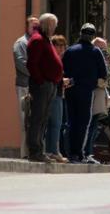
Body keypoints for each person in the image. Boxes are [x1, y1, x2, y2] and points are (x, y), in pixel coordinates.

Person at [62, 23, 107, 163]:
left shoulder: (70, 50)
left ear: (80, 34)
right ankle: (78, 153)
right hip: (86, 91)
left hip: (70, 90)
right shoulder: (95, 52)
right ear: (92, 36)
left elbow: (62, 69)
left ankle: (68, 153)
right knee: (83, 123)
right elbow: (103, 73)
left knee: (70, 122)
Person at [26, 13, 63, 163]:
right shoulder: (38, 40)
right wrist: (40, 80)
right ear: (48, 25)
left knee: (43, 119)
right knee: (37, 118)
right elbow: (32, 64)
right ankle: (35, 152)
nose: (54, 29)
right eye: (53, 26)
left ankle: (39, 150)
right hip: (42, 85)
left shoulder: (44, 39)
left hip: (49, 84)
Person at [12, 16, 39, 159]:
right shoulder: (21, 43)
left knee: (35, 121)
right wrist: (38, 73)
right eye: (33, 26)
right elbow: (21, 63)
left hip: (37, 87)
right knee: (25, 122)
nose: (35, 29)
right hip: (25, 86)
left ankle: (34, 152)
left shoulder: (38, 43)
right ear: (27, 27)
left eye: (37, 26)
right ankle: (24, 155)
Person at [83, 37, 110, 164]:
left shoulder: (102, 61)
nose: (104, 54)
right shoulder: (89, 59)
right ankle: (85, 153)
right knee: (89, 126)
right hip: (91, 95)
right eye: (101, 50)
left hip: (99, 96)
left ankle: (88, 153)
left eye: (105, 52)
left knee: (94, 126)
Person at [45, 35, 70, 163]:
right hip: (55, 94)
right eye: (58, 45)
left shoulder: (57, 59)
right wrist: (63, 80)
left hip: (56, 93)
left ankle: (49, 151)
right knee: (55, 124)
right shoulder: (54, 59)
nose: (61, 48)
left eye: (63, 46)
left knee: (52, 124)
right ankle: (54, 151)